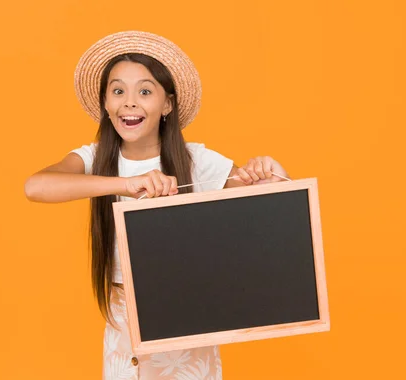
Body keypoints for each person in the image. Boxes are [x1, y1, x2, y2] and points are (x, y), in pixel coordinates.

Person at [24, 31, 289, 380]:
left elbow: (263, 198)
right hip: (123, 330)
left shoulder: (196, 160)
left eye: (145, 91)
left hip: (189, 324)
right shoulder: (93, 158)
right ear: (106, 103)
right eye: (118, 91)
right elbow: (36, 186)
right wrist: (126, 185)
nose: (129, 102)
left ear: (167, 105)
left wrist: (268, 173)